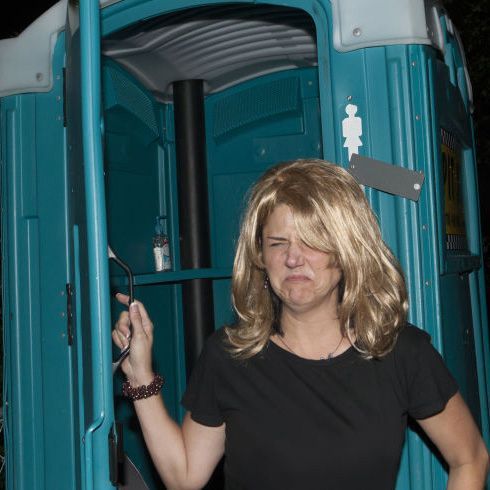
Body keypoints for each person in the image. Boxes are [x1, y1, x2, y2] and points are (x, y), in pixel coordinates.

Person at [113, 159, 489, 490]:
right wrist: (140, 375)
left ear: (347, 252)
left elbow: (471, 458)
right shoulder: (230, 355)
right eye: (278, 244)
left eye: (312, 242)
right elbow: (184, 477)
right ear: (260, 257)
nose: (293, 258)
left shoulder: (401, 352)